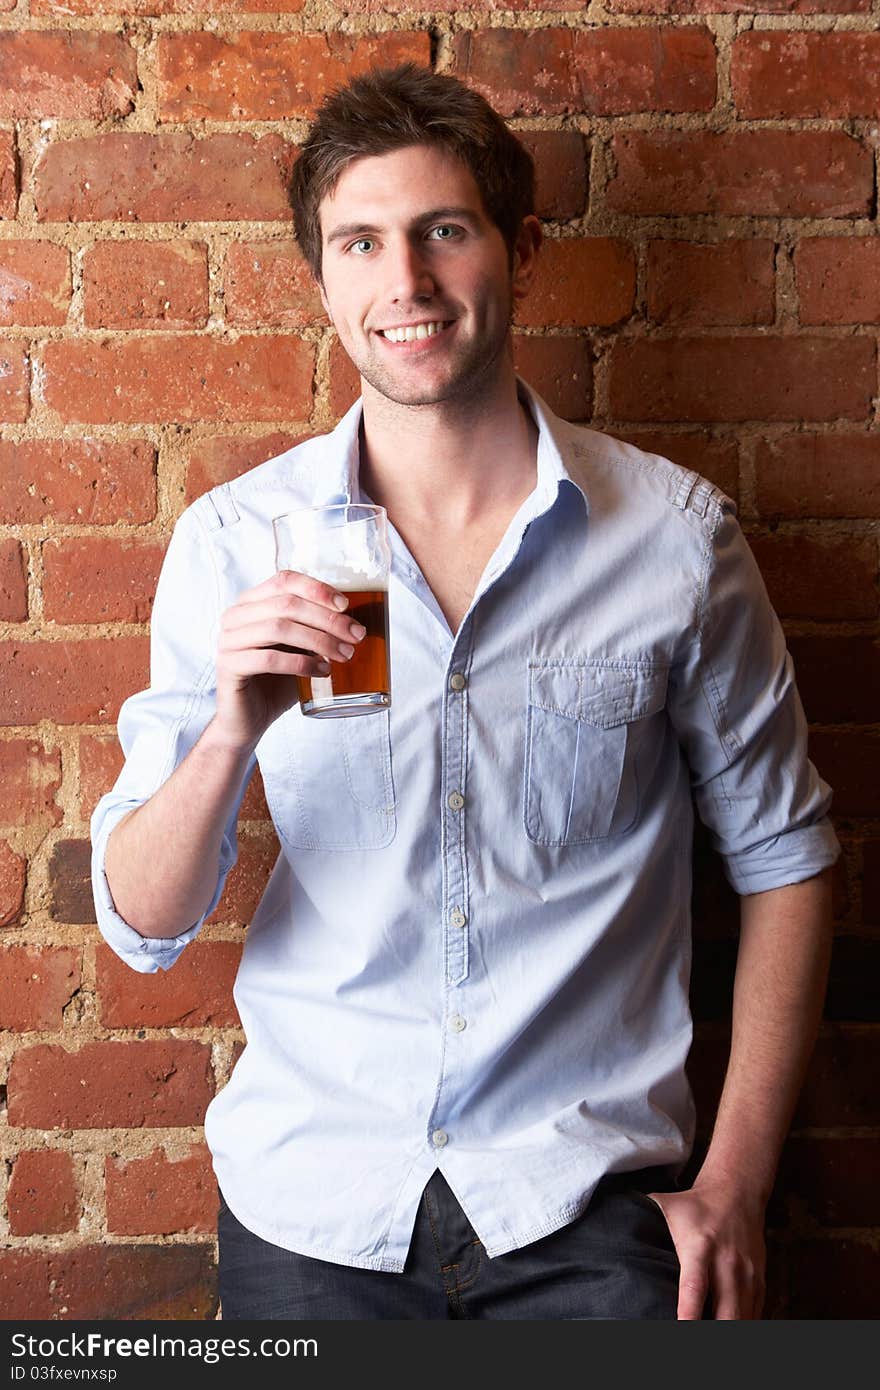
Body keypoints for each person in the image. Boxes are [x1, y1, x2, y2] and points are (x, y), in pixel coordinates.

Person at [90, 63, 840, 1321]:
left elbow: (789, 859)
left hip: (590, 1219)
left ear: (520, 249)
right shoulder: (238, 542)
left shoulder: (671, 540)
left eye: (444, 230)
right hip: (313, 1219)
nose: (407, 285)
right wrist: (230, 731)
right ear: (321, 278)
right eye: (362, 243)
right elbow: (144, 924)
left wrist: (736, 1187)